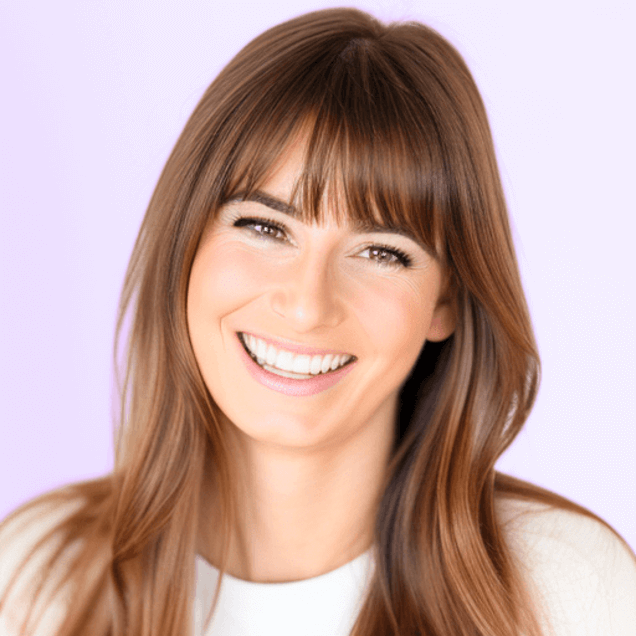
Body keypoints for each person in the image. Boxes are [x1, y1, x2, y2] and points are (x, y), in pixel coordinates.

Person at [1, 7, 634, 636]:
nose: (307, 305)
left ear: (447, 302)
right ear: (186, 246)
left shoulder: (567, 588)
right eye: (265, 226)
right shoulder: (32, 578)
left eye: (383, 252)